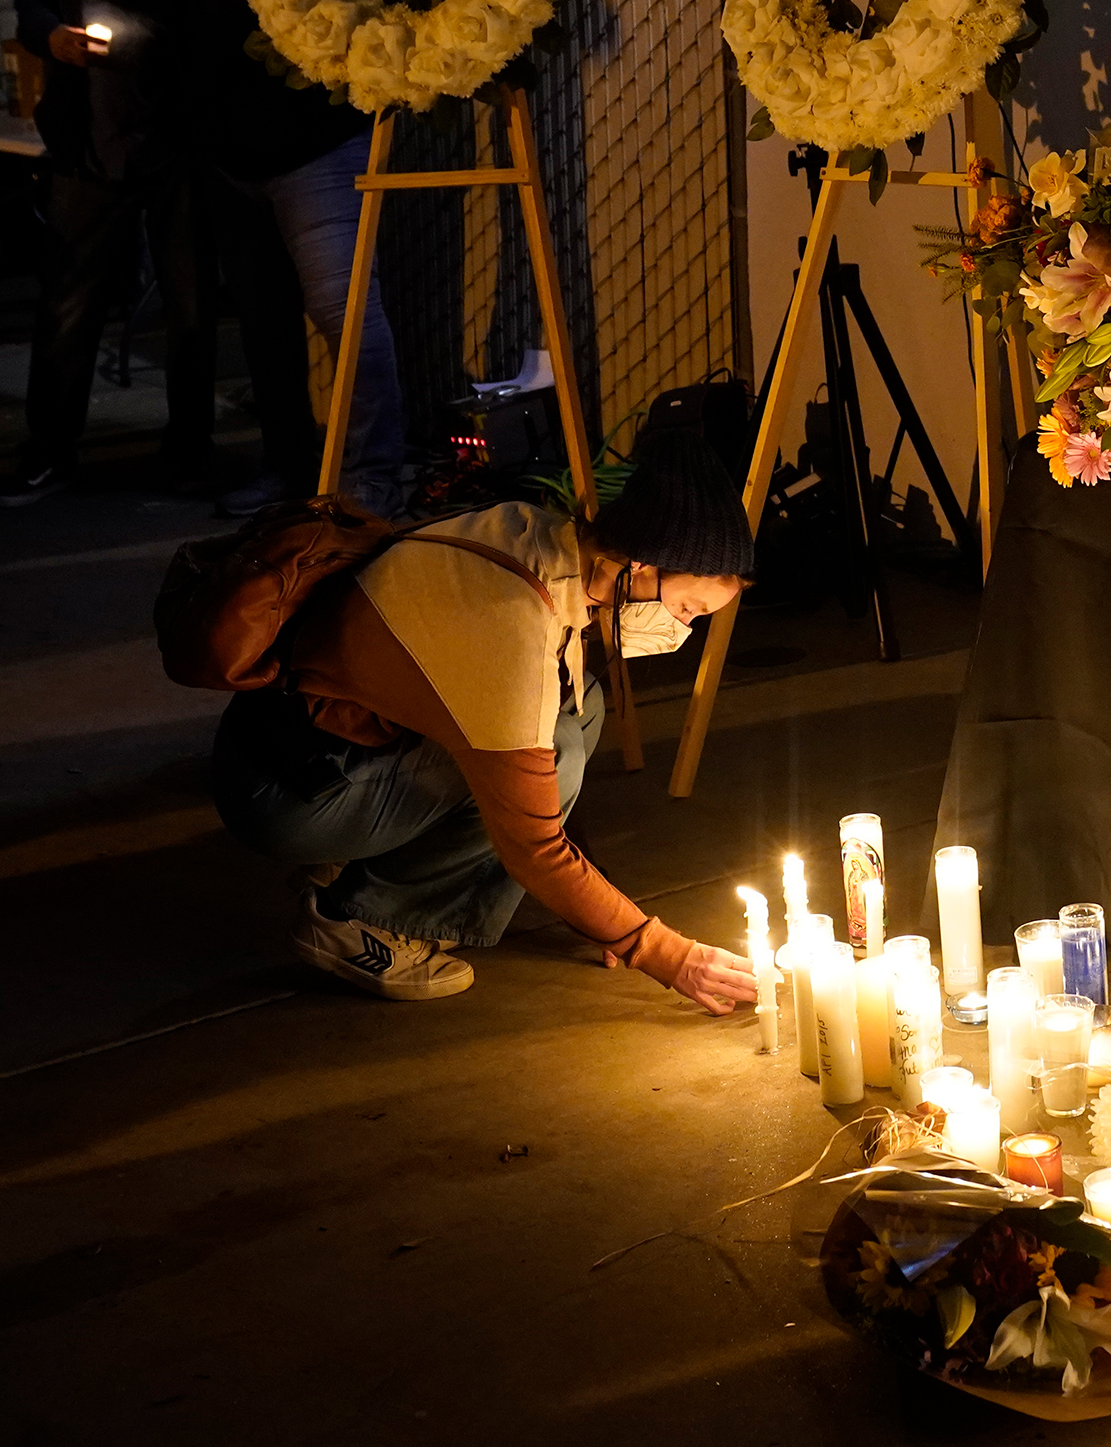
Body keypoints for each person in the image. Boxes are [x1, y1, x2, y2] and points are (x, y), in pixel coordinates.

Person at [209, 420, 762, 1008]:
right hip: (284, 790)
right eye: (685, 607)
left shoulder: (539, 539)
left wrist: (600, 912)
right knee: (558, 750)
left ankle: (356, 861)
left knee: (581, 705)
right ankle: (358, 922)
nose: (682, 629)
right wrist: (661, 952)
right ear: (641, 566)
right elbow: (533, 842)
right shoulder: (510, 619)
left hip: (311, 745)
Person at [135, 0, 404, 517]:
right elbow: (154, 31)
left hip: (312, 147)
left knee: (346, 320)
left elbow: (359, 4)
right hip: (233, 158)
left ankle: (373, 477)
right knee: (266, 327)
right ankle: (292, 466)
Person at [0, 0, 215, 507]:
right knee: (69, 301)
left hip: (180, 140)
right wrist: (48, 38)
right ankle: (49, 451)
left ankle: (189, 455)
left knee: (190, 304)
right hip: (89, 135)